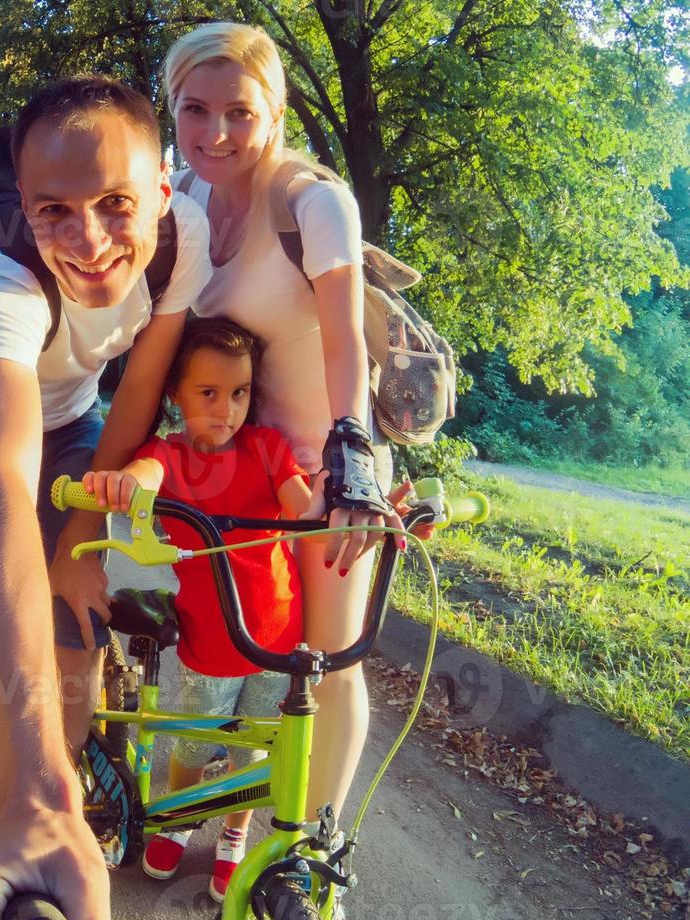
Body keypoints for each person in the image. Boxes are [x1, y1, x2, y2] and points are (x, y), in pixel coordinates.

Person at [0, 76, 214, 920]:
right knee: (3, 609)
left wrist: (82, 525)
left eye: (116, 205)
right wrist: (40, 794)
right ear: (22, 203)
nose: (88, 243)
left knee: (75, 617)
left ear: (163, 194)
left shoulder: (184, 239)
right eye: (54, 211)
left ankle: (53, 775)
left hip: (85, 417)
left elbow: (138, 383)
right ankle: (31, 798)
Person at [162, 23, 401, 840]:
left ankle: (314, 851)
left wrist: (354, 462)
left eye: (240, 111)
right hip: (231, 468)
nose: (215, 133)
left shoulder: (311, 199)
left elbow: (345, 340)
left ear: (276, 112)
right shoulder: (184, 196)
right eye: (195, 109)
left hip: (324, 467)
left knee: (327, 664)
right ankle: (210, 819)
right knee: (227, 656)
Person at [80, 315, 315, 901]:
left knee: (254, 748)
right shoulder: (170, 454)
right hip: (210, 640)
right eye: (207, 393)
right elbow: (146, 471)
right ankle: (182, 816)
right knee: (191, 743)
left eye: (238, 393)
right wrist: (127, 482)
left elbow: (306, 510)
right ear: (175, 396)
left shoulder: (268, 449)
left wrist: (361, 509)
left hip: (277, 638)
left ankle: (235, 835)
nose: (226, 409)